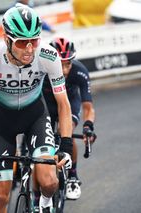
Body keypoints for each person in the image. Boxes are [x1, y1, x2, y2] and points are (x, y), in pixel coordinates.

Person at [0, 5, 73, 213]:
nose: (30, 49)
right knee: (1, 196)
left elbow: (63, 103)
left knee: (49, 182)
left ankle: (46, 205)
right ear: (7, 39)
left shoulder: (48, 56)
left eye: (34, 40)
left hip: (35, 116)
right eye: (22, 42)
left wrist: (65, 145)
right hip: (2, 122)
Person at [42, 37, 97, 200]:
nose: (65, 70)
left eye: (68, 63)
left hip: (70, 103)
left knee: (67, 131)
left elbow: (88, 107)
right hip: (48, 104)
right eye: (60, 64)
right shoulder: (42, 70)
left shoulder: (80, 71)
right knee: (40, 131)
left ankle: (72, 177)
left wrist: (88, 126)